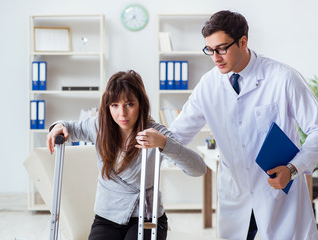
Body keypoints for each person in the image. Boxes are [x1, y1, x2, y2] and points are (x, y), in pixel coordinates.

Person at [169, 10, 318, 240]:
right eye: (210, 50)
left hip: (278, 195)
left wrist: (293, 168)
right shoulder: (209, 85)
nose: (215, 57)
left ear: (243, 42)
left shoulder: (282, 78)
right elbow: (177, 135)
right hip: (235, 196)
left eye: (222, 48)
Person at [46, 70, 206, 240]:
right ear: (108, 106)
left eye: (129, 104)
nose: (122, 113)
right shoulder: (99, 125)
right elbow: (70, 127)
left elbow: (198, 169)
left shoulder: (156, 132)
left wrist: (164, 144)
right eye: (115, 105)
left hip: (146, 217)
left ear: (140, 104)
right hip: (107, 216)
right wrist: (58, 126)